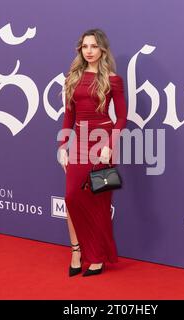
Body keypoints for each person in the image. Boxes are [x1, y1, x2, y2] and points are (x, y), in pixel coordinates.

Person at [57, 29, 127, 277]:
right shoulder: (72, 78)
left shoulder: (112, 79)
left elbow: (121, 117)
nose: (89, 50)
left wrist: (110, 144)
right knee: (71, 197)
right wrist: (62, 146)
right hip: (78, 142)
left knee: (98, 201)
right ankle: (76, 250)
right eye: (85, 46)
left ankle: (97, 257)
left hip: (102, 143)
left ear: (102, 50)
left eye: (94, 46)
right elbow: (68, 117)